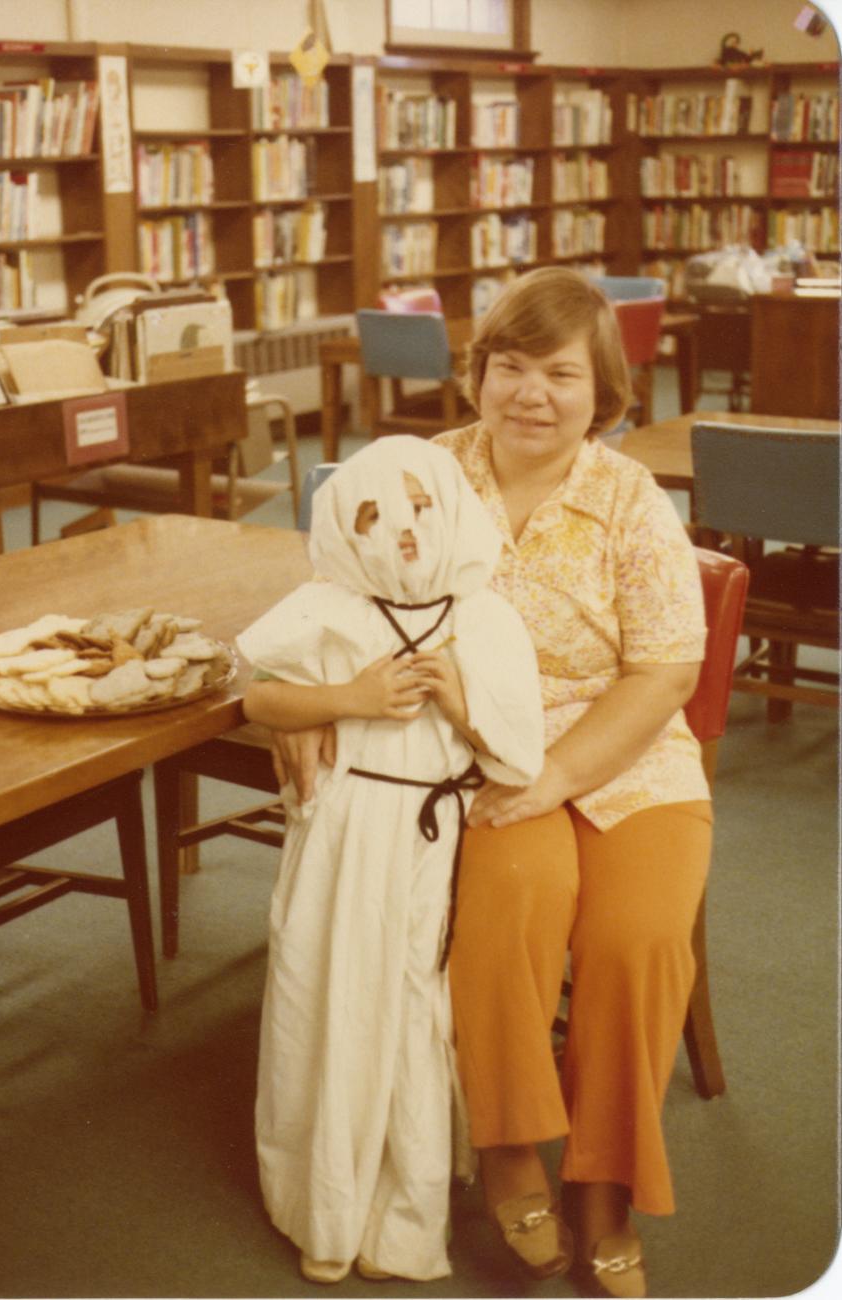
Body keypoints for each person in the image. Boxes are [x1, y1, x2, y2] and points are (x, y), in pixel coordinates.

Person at [270, 268, 712, 1300]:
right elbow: (336, 591)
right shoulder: (423, 470)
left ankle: (603, 1185)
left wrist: (560, 771)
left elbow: (664, 673)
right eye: (508, 367)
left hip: (628, 759)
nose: (529, 394)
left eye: (558, 374)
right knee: (511, 904)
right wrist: (313, 700)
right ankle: (511, 1147)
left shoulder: (629, 501)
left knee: (636, 941)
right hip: (474, 756)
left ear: (601, 392)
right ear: (475, 374)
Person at [236, 436, 545, 1285]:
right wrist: (348, 699)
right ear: (343, 529)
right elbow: (259, 694)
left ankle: (404, 1218)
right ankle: (324, 1210)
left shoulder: (483, 616)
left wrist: (460, 699)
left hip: (430, 838)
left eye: (419, 507)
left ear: (453, 513)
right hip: (345, 835)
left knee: (414, 1009)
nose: (401, 529)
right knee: (332, 997)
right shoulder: (331, 605)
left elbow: (518, 750)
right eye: (372, 515)